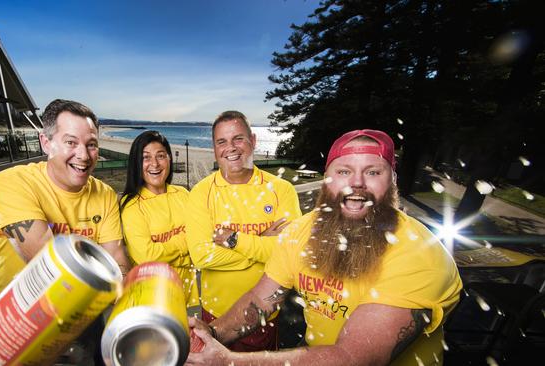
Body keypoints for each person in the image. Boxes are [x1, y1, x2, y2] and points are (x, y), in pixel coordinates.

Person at [187, 129, 463, 366]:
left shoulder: (417, 254)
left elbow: (353, 359)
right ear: (328, 178)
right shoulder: (300, 233)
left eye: (373, 171)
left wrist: (229, 361)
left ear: (392, 180)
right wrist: (211, 333)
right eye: (344, 171)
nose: (356, 182)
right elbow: (261, 301)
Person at [0, 99, 131, 365]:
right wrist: (110, 284)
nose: (84, 155)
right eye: (71, 142)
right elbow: (46, 262)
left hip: (83, 321)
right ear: (46, 142)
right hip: (20, 323)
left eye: (91, 144)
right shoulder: (11, 183)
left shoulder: (105, 194)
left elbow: (116, 258)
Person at [186, 110, 302, 351]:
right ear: (214, 148)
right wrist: (261, 243)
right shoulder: (201, 192)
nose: (231, 147)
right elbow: (201, 256)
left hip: (263, 315)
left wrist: (234, 240)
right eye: (222, 141)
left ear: (253, 141)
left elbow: (291, 251)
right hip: (215, 314)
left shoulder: (282, 189)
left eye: (238, 138)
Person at [120, 130, 199, 307]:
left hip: (190, 296)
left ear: (169, 159)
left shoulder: (183, 194)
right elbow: (147, 257)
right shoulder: (132, 205)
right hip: (152, 299)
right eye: (146, 157)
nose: (154, 164)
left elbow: (201, 239)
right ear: (136, 163)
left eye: (161, 156)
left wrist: (166, 252)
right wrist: (185, 252)